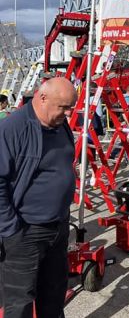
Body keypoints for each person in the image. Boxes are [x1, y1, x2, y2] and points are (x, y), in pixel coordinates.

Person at [0, 77, 77, 318]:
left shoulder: (60, 125)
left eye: (70, 107)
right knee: (20, 300)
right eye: (63, 107)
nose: (67, 113)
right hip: (25, 231)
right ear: (41, 98)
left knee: (54, 293)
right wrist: (11, 230)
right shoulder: (13, 129)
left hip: (58, 226)